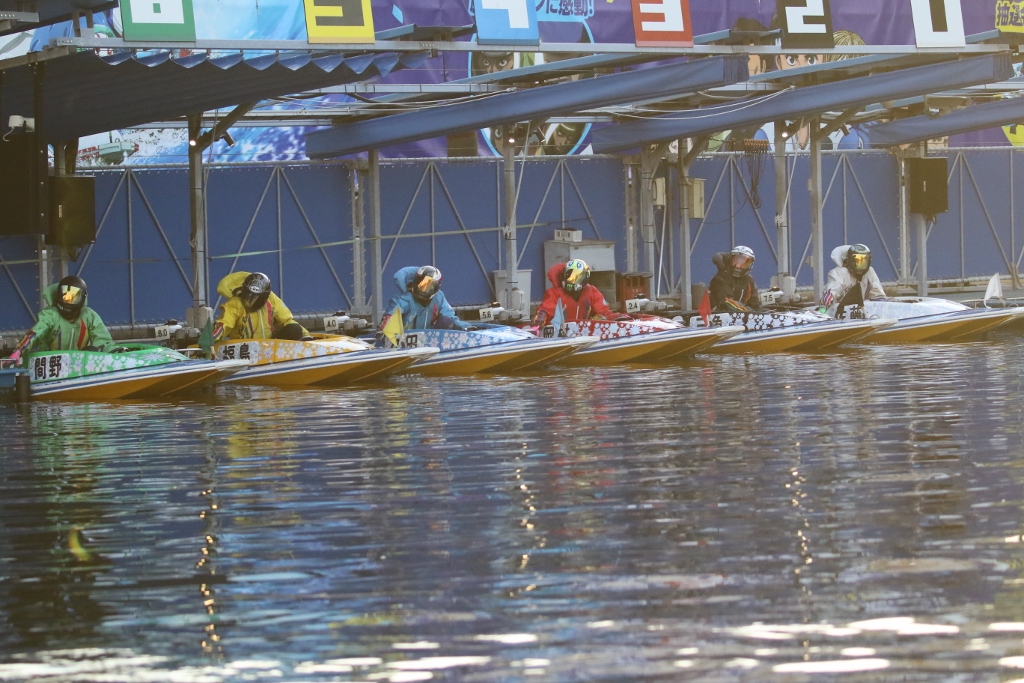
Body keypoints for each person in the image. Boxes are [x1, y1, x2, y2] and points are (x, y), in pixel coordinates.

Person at [6, 275, 115, 362]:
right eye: (65, 296)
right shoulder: (50, 315)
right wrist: (19, 350)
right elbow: (36, 332)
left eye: (73, 297)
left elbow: (104, 341)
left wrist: (116, 352)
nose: (68, 300)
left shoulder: (89, 316)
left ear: (82, 297)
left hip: (77, 365)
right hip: (48, 365)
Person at [212, 271, 310, 342]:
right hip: (245, 348)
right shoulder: (234, 304)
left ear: (265, 296)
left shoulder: (271, 299)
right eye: (248, 296)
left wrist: (306, 335)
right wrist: (211, 339)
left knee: (294, 328)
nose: (251, 301)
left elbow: (287, 320)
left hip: (270, 346)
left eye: (256, 298)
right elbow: (223, 324)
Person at [383, 265, 476, 331]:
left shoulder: (439, 297)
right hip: (403, 342)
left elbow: (450, 318)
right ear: (415, 282)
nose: (424, 289)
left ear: (436, 288)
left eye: (429, 286)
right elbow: (391, 315)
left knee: (446, 321)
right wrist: (386, 330)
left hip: (429, 341)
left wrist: (467, 327)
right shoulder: (405, 298)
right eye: (421, 284)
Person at [534, 259, 623, 326]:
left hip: (584, 333)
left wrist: (609, 317)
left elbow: (604, 312)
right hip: (557, 334)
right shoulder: (554, 293)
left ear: (584, 278)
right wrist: (540, 319)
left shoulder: (591, 291)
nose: (571, 280)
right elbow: (545, 310)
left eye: (576, 277)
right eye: (569, 275)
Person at [818, 244, 886, 317]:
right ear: (849, 260)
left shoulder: (870, 272)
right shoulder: (839, 273)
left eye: (863, 261)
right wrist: (822, 308)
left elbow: (878, 297)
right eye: (857, 261)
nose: (860, 265)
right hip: (838, 314)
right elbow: (831, 292)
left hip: (861, 313)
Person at [709, 246, 761, 312]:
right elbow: (727, 301)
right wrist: (748, 312)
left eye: (743, 264)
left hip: (741, 315)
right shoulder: (721, 278)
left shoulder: (749, 280)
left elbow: (754, 304)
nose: (738, 266)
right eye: (735, 262)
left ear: (750, 265)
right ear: (730, 260)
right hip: (718, 314)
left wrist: (764, 312)